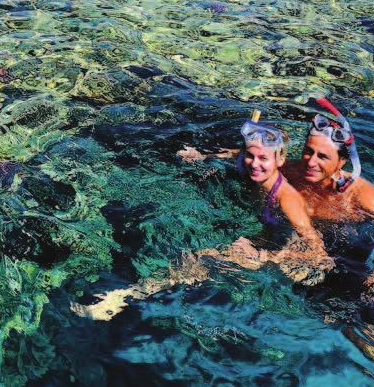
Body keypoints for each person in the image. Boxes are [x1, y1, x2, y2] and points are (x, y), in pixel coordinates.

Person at [71, 115, 334, 320]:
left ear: (280, 159)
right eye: (251, 156)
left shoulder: (288, 201)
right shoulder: (256, 168)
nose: (254, 164)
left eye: (263, 158)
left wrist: (269, 257)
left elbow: (319, 256)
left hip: (286, 252)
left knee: (201, 259)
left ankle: (125, 297)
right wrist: (203, 156)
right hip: (264, 235)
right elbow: (236, 154)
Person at [282, 98, 374, 328]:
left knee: (373, 302)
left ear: (341, 162)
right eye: (308, 152)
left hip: (354, 251)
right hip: (315, 251)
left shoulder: (368, 200)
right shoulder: (294, 172)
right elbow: (256, 162)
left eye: (322, 156)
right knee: (324, 307)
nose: (311, 161)